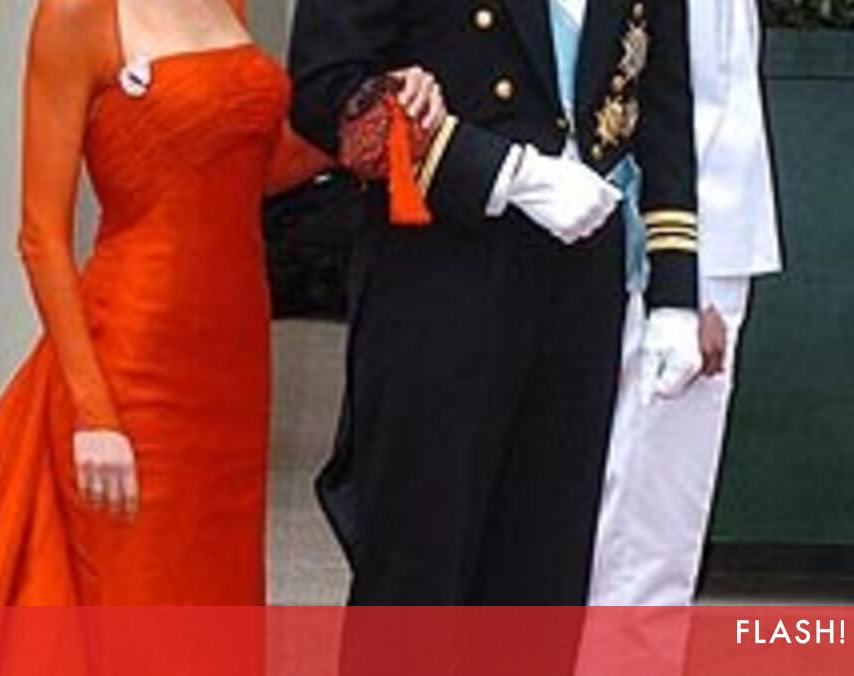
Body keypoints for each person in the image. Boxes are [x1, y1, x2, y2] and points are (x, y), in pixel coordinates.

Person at [0, 0, 336, 606]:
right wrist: (95, 414)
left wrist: (367, 127)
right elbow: (41, 236)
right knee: (139, 589)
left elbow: (242, 164)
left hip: (234, 363)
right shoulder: (75, 17)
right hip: (137, 361)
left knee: (219, 591)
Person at [289, 0, 703, 605]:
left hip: (583, 268)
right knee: (419, 571)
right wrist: (502, 171)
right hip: (442, 272)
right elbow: (325, 90)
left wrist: (675, 289)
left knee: (543, 574)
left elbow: (662, 100)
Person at [583, 0, 782, 650]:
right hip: (678, 258)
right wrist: (689, 283)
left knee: (652, 512)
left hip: (693, 252)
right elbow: (675, 103)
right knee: (647, 512)